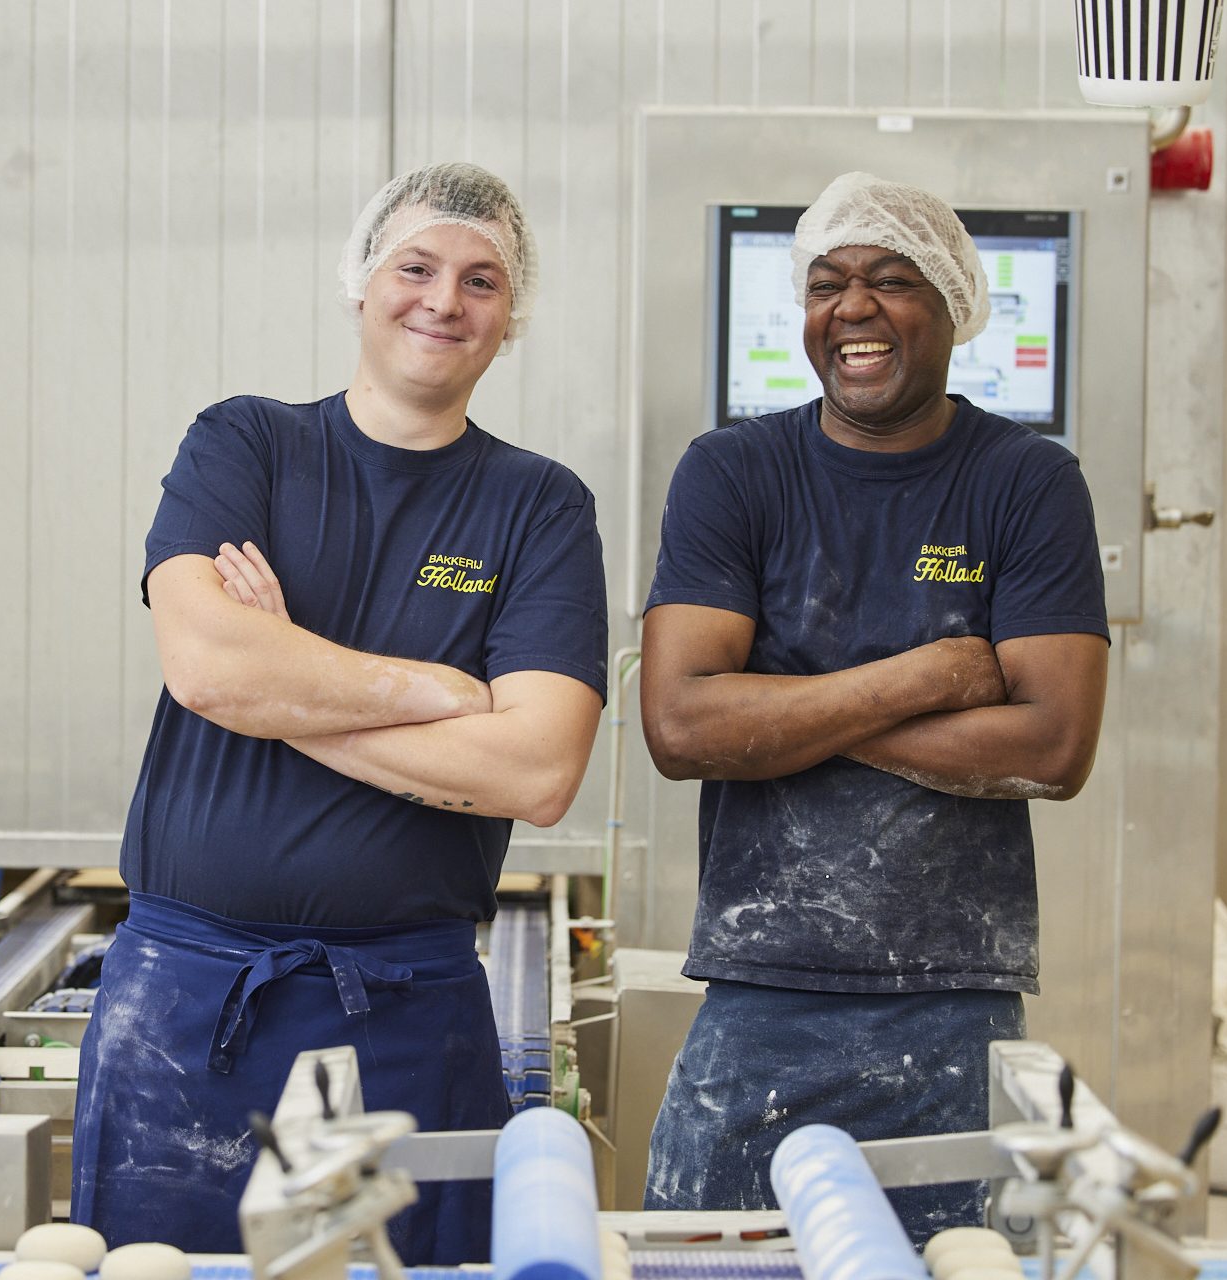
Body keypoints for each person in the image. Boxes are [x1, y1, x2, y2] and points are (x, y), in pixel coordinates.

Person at [70, 161, 609, 1264]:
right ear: (361, 282)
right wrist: (438, 690)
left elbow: (536, 770)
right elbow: (208, 667)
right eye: (414, 267)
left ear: (511, 321)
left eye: (480, 281)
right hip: (184, 1006)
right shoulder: (246, 444)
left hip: (407, 1014)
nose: (442, 300)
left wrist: (286, 693)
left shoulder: (538, 506)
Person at [637, 171, 1111, 1240]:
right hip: (759, 991)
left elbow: (1050, 741)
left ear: (950, 307)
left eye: (890, 280)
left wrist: (784, 713)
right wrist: (933, 675)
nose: (850, 307)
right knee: (698, 1265)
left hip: (952, 998)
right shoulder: (733, 473)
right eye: (825, 283)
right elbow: (679, 727)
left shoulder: (1024, 480)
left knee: (951, 1264)